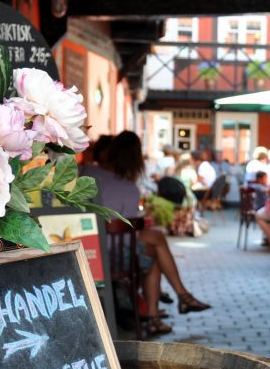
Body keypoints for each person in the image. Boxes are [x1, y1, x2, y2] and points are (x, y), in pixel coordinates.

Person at [81, 131, 211, 335]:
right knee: (155, 245)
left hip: (85, 247)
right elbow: (125, 232)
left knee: (154, 244)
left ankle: (166, 308)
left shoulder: (85, 173)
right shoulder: (128, 189)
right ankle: (167, 307)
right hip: (109, 257)